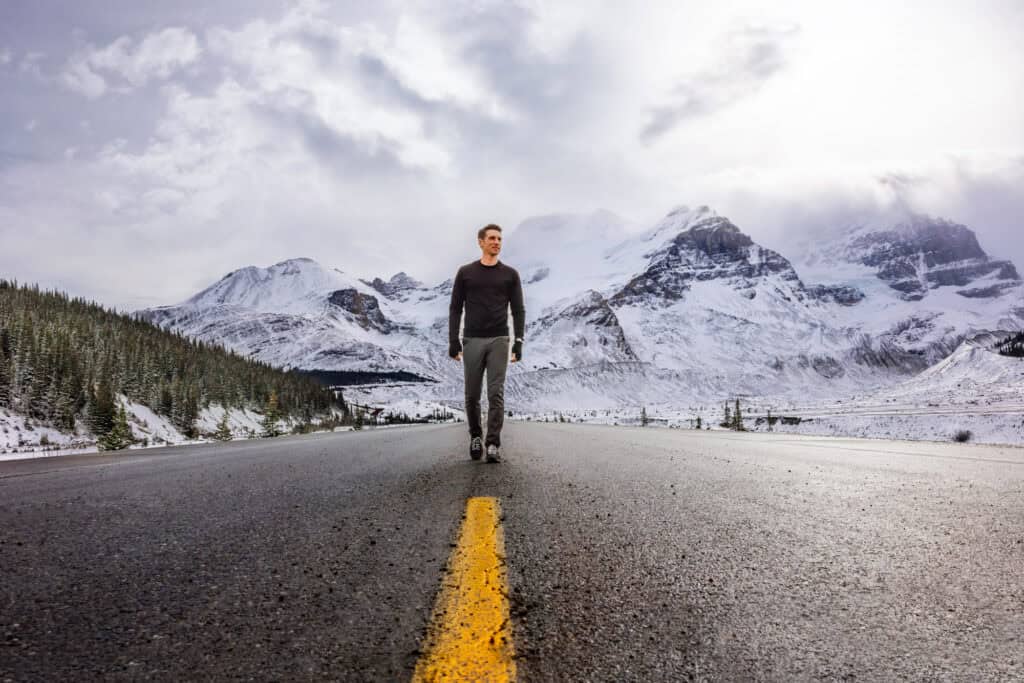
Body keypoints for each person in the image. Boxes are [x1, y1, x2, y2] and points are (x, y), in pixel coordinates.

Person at [448, 224, 525, 463]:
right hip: (471, 339)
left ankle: (492, 444)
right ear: (481, 242)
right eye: (491, 238)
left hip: (500, 339)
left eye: (499, 239)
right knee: (471, 395)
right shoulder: (466, 273)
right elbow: (455, 308)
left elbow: (518, 310)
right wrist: (454, 341)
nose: (496, 242)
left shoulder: (510, 275)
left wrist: (518, 341)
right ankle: (475, 437)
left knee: (496, 394)